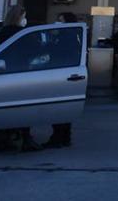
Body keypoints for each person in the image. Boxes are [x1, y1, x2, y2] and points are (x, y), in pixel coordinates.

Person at [0, 6, 42, 152]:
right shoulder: (23, 33)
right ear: (19, 17)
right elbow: (35, 49)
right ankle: (26, 138)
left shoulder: (2, 32)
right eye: (24, 16)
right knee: (24, 107)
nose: (25, 19)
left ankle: (5, 138)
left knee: (5, 107)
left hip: (3, 72)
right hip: (22, 72)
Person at [45, 11, 80, 149]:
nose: (58, 23)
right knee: (65, 109)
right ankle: (64, 137)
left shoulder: (65, 37)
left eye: (60, 20)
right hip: (66, 75)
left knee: (58, 109)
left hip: (61, 76)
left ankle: (58, 137)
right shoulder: (73, 35)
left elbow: (57, 53)